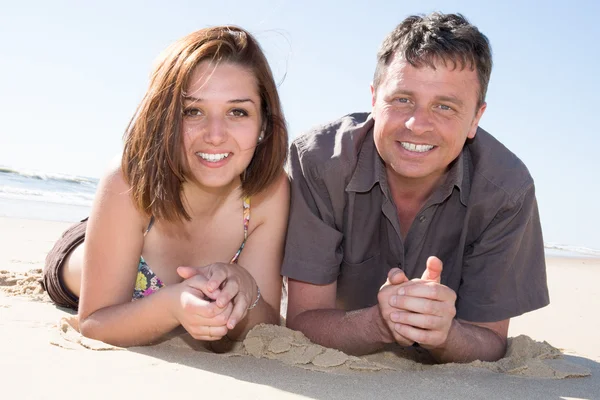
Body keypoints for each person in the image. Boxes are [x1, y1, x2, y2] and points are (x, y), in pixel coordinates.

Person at [282, 12, 549, 363]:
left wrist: (445, 334)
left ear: (476, 119)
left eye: (444, 107)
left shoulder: (506, 191)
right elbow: (301, 321)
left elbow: (490, 340)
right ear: (374, 99)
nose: (417, 125)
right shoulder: (318, 163)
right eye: (403, 99)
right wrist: (378, 324)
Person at [42, 26, 289, 348]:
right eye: (193, 111)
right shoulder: (128, 177)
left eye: (237, 111)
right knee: (88, 258)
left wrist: (247, 289)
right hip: (95, 243)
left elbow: (265, 322)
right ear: (164, 116)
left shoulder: (269, 191)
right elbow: (94, 322)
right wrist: (172, 306)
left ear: (264, 124)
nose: (215, 134)